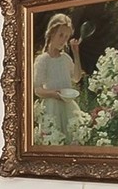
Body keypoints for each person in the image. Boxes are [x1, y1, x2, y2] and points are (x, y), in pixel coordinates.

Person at [31, 12, 84, 144]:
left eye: (66, 37)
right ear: (51, 34)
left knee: (72, 140)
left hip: (68, 107)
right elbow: (37, 90)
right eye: (60, 35)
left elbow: (76, 78)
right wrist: (54, 94)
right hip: (51, 108)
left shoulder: (65, 59)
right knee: (54, 140)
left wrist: (76, 53)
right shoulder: (43, 60)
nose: (63, 40)